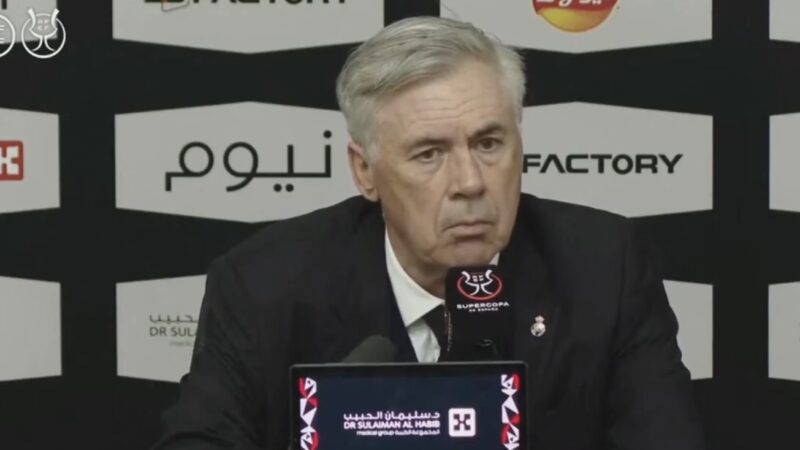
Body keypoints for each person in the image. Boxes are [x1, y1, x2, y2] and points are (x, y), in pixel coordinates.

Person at [151, 16, 705, 450]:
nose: (469, 182)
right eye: (429, 154)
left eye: (488, 144)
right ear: (365, 171)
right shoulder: (263, 286)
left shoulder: (603, 269)